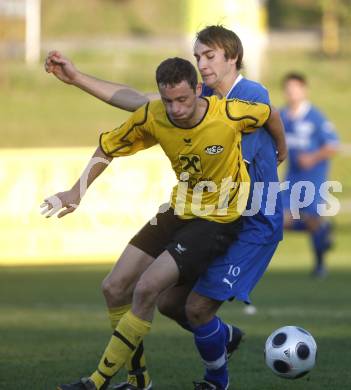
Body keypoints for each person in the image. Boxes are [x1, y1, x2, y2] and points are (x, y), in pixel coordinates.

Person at [45, 26, 286, 390]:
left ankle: (208, 380)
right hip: (194, 210)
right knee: (171, 304)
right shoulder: (195, 97)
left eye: (209, 56)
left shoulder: (245, 97)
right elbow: (141, 101)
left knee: (193, 306)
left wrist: (281, 150)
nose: (202, 64)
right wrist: (77, 78)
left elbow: (269, 115)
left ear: (232, 57)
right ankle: (214, 341)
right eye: (197, 57)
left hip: (248, 221)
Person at [280, 72, 339, 278]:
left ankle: (320, 265)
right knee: (278, 219)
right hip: (291, 179)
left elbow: (333, 145)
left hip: (313, 179)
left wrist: (313, 157)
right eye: (288, 88)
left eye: (295, 88)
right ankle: (324, 229)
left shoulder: (315, 116)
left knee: (312, 219)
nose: (292, 92)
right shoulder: (282, 117)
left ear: (304, 90)